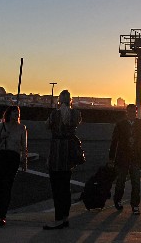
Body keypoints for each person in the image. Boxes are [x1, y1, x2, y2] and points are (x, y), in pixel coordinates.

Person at [44, 89, 82, 230]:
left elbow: (46, 125)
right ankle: (65, 217)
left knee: (56, 187)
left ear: (59, 100)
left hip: (56, 153)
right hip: (68, 154)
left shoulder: (55, 114)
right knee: (65, 187)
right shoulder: (76, 114)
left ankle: (58, 217)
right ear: (71, 100)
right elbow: (75, 124)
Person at [0, 106, 28, 227]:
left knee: (8, 185)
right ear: (9, 114)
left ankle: (3, 214)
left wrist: (24, 161)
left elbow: (24, 146)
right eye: (14, 113)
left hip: (14, 158)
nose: (16, 115)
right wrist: (3, 136)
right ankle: (0, 210)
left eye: (18, 113)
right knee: (1, 185)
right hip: (2, 156)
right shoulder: (2, 125)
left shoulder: (22, 128)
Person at [108, 103, 141, 215]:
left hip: (136, 157)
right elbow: (114, 142)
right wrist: (111, 157)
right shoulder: (120, 125)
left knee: (136, 182)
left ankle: (135, 205)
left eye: (133, 112)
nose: (131, 114)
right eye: (129, 112)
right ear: (126, 113)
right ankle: (117, 200)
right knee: (120, 181)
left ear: (136, 112)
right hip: (122, 158)